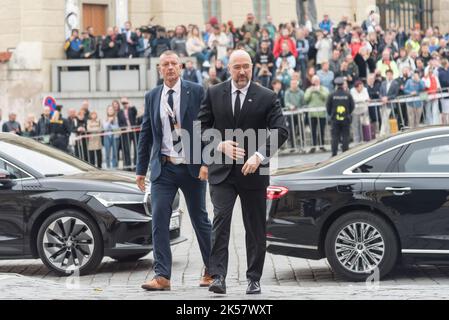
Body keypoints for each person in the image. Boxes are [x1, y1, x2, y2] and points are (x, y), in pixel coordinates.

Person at [198, 50, 288, 295]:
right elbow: (201, 127)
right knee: (221, 223)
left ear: (252, 67)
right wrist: (219, 144)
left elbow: (280, 130)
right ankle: (218, 277)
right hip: (222, 174)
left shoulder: (267, 96)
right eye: (237, 67)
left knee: (255, 227)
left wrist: (259, 156)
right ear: (229, 69)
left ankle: (254, 278)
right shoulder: (214, 93)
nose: (241, 71)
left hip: (253, 173)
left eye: (246, 66)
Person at [137, 51, 212, 291]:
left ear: (180, 67)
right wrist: (140, 170)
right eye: (165, 64)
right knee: (159, 217)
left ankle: (212, 270)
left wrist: (206, 163)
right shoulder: (152, 96)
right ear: (160, 69)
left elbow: (209, 127)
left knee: (200, 219)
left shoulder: (196, 91)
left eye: (173, 64)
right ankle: (162, 276)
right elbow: (146, 134)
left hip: (192, 167)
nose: (170, 68)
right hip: (164, 168)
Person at [327, 77, 355, 156]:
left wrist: (331, 114)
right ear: (343, 84)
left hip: (335, 119)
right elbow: (352, 106)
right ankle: (345, 153)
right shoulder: (347, 95)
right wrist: (348, 113)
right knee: (345, 136)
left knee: (335, 137)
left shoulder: (332, 95)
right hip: (345, 118)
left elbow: (328, 107)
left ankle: (334, 153)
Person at [304, 75, 329, 153]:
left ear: (319, 81)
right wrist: (311, 92)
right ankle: (313, 146)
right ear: (312, 82)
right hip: (312, 114)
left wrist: (319, 91)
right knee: (313, 131)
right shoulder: (309, 90)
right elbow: (306, 99)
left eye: (317, 80)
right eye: (314, 81)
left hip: (321, 114)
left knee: (321, 130)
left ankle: (322, 145)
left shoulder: (324, 89)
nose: (315, 82)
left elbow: (326, 97)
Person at [118, 97, 138, 170]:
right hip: (126, 133)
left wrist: (130, 104)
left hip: (134, 132)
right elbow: (120, 123)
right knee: (127, 149)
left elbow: (135, 113)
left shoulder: (131, 109)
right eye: (123, 103)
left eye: (125, 102)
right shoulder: (120, 112)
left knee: (136, 148)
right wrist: (125, 127)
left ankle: (136, 165)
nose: (124, 104)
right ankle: (128, 166)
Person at [379, 69, 400, 135]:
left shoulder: (395, 83)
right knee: (384, 119)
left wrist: (387, 98)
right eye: (387, 74)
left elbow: (395, 94)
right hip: (382, 104)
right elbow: (380, 93)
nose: (389, 76)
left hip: (390, 104)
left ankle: (382, 133)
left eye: (390, 74)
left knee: (385, 119)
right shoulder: (383, 83)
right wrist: (382, 98)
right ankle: (387, 133)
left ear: (392, 75)